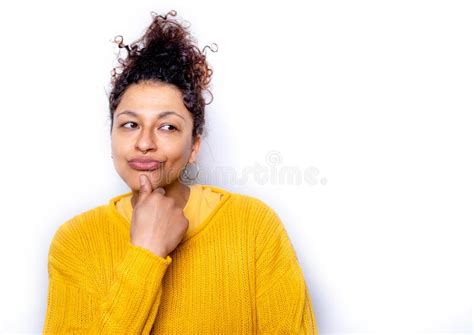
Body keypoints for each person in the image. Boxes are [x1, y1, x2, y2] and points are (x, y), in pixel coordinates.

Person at [42, 9, 318, 334]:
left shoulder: (254, 228)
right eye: (130, 124)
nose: (145, 142)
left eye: (168, 127)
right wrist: (146, 253)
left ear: (194, 146)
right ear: (112, 136)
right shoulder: (75, 241)